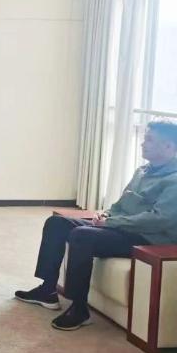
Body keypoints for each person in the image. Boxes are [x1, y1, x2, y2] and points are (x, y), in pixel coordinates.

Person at [15, 121, 177, 330]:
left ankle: (79, 309)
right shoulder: (142, 170)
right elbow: (122, 203)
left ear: (169, 146)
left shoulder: (174, 180)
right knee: (56, 224)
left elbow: (159, 219)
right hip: (123, 227)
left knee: (81, 235)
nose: (142, 143)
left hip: (148, 238)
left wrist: (112, 222)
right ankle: (47, 290)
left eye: (150, 140)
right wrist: (107, 214)